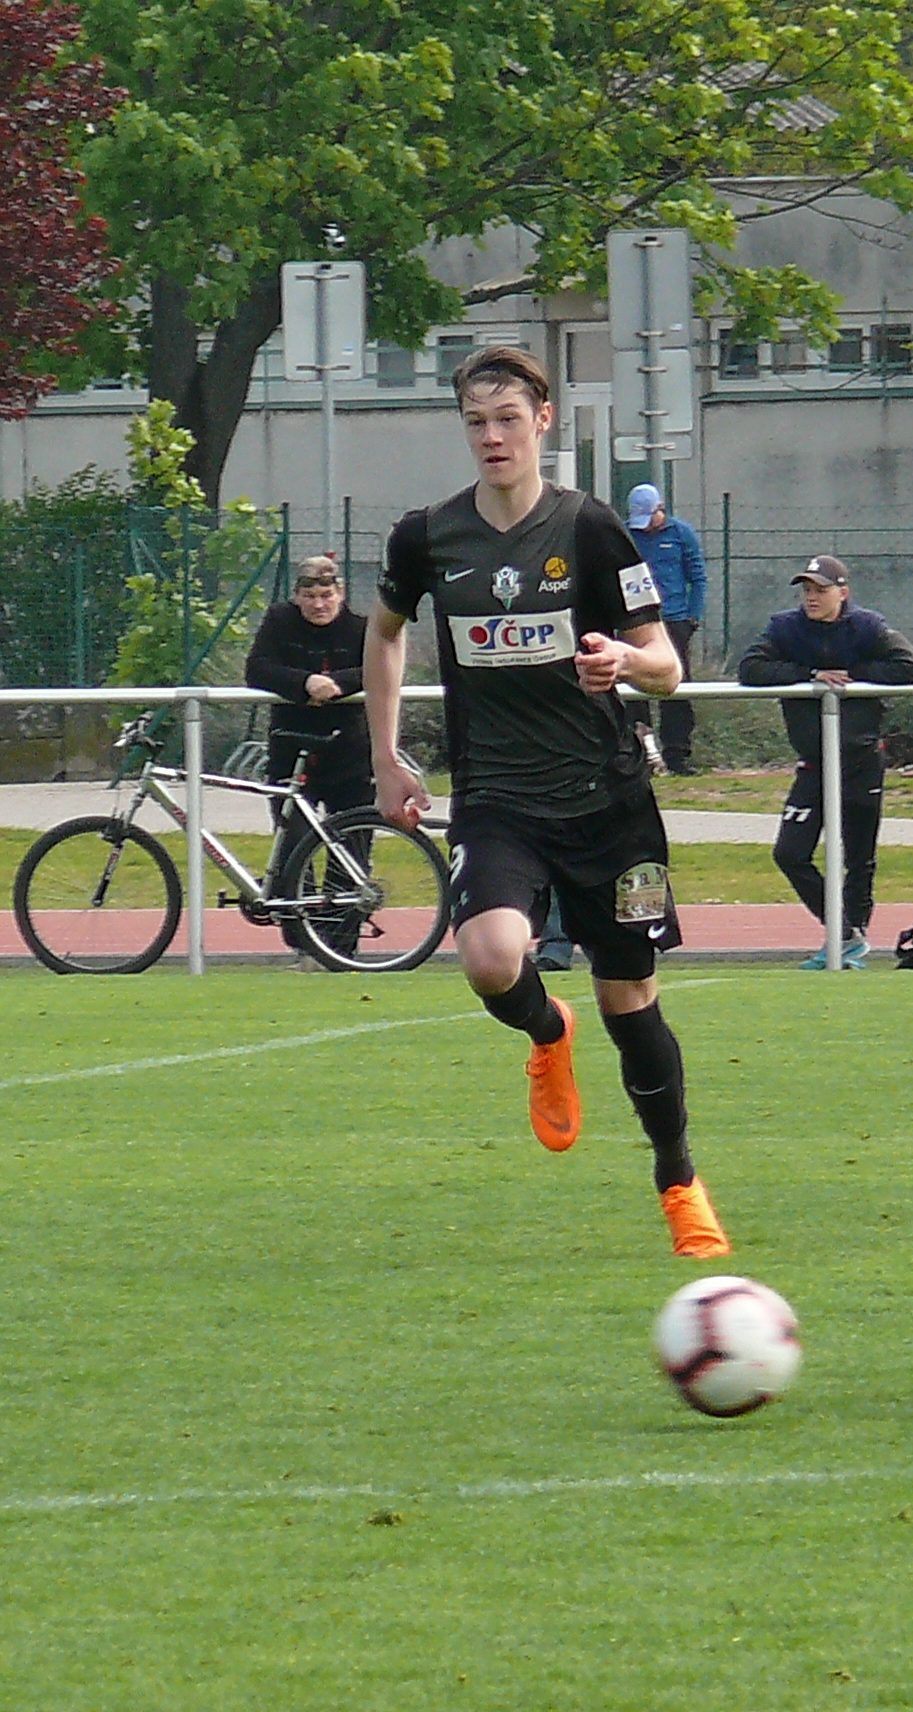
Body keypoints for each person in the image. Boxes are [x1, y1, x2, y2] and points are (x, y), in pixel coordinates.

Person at [364, 345, 728, 1258]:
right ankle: (544, 1027)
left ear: (543, 421)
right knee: (491, 960)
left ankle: (679, 1183)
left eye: (508, 419)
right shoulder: (428, 537)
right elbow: (385, 633)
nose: (493, 437)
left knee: (630, 1001)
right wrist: (386, 756)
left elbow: (667, 666)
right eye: (476, 422)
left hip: (609, 803)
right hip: (498, 798)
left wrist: (625, 661)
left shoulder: (591, 529)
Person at [736, 555, 913, 968]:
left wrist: (852, 674)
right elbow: (750, 668)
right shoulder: (785, 628)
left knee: (859, 858)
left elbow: (910, 667)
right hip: (814, 762)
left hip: (861, 760)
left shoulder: (867, 627)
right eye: (807, 590)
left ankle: (850, 943)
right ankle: (844, 933)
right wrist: (811, 674)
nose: (811, 598)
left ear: (843, 592)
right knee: (789, 853)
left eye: (820, 590)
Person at [244, 553, 370, 958]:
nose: (319, 604)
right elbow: (257, 668)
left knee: (350, 852)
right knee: (293, 849)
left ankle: (342, 950)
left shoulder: (360, 628)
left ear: (340, 593)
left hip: (349, 754)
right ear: (297, 596)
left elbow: (379, 667)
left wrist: (337, 684)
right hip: (291, 752)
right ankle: (304, 941)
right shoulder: (279, 622)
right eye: (310, 596)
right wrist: (304, 683)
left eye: (326, 595)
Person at [625, 483, 707, 775]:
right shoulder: (625, 535)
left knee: (677, 689)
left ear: (660, 510)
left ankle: (677, 755)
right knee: (634, 687)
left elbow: (697, 577)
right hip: (635, 621)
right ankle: (642, 754)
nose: (645, 526)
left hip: (674, 621)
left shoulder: (682, 534)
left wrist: (691, 618)